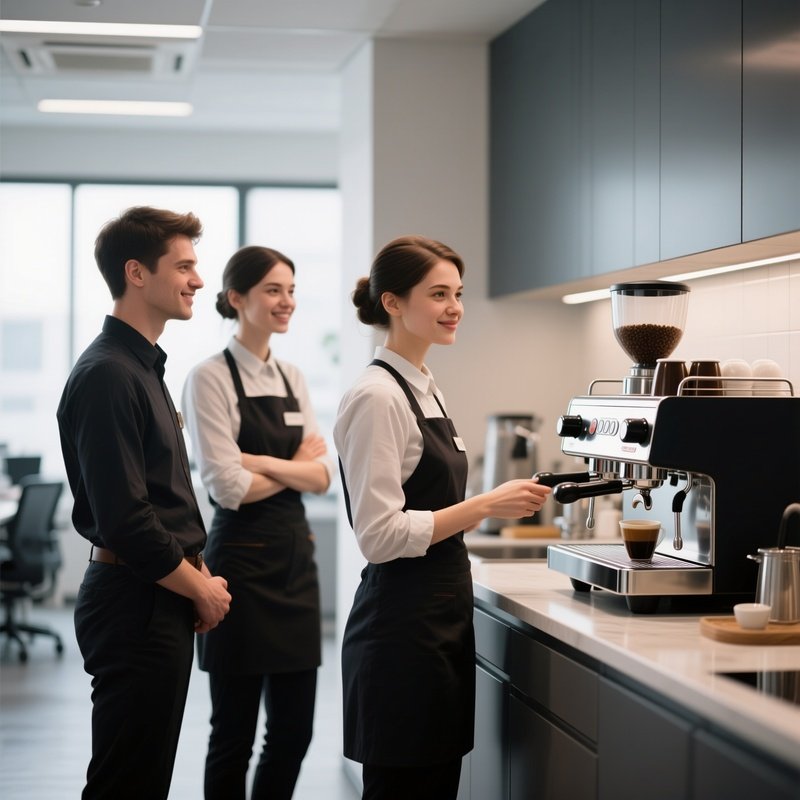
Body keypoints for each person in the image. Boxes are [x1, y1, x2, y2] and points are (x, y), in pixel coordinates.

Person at [334, 235, 551, 800]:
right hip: (399, 631)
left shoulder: (424, 387)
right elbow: (379, 536)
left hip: (438, 622)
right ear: (393, 303)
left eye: (458, 293)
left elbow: (428, 505)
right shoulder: (377, 397)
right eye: (438, 294)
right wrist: (486, 504)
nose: (455, 307)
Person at [56, 206, 232, 800]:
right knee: (127, 781)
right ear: (136, 272)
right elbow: (125, 519)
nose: (198, 281)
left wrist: (195, 573)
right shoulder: (109, 374)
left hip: (155, 594)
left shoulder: (143, 367)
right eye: (183, 266)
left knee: (144, 775)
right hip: (135, 601)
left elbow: (163, 497)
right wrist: (199, 586)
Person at [182, 245, 333, 800]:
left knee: (295, 731)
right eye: (273, 290)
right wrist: (296, 467)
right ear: (236, 298)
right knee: (233, 735)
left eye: (291, 289)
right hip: (238, 569)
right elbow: (227, 487)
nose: (286, 301)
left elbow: (324, 478)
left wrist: (265, 462)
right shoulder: (208, 379)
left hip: (295, 564)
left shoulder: (292, 375)